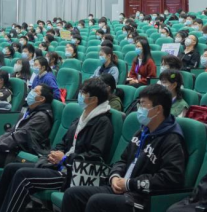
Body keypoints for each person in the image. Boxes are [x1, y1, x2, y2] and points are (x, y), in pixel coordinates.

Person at [0, 78, 115, 212]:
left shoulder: (103, 123)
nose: (80, 96)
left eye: (83, 93)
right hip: (59, 165)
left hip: (72, 172)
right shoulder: (82, 117)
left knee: (24, 176)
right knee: (11, 168)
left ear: (94, 100)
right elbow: (64, 142)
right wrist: (55, 153)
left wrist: (64, 158)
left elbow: (94, 155)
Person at [61, 84, 186, 212]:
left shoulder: (172, 139)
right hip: (122, 188)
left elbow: (171, 178)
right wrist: (115, 176)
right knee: (72, 194)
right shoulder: (142, 132)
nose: (139, 108)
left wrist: (129, 183)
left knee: (96, 202)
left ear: (158, 109)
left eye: (143, 104)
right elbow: (122, 160)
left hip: (141, 197)